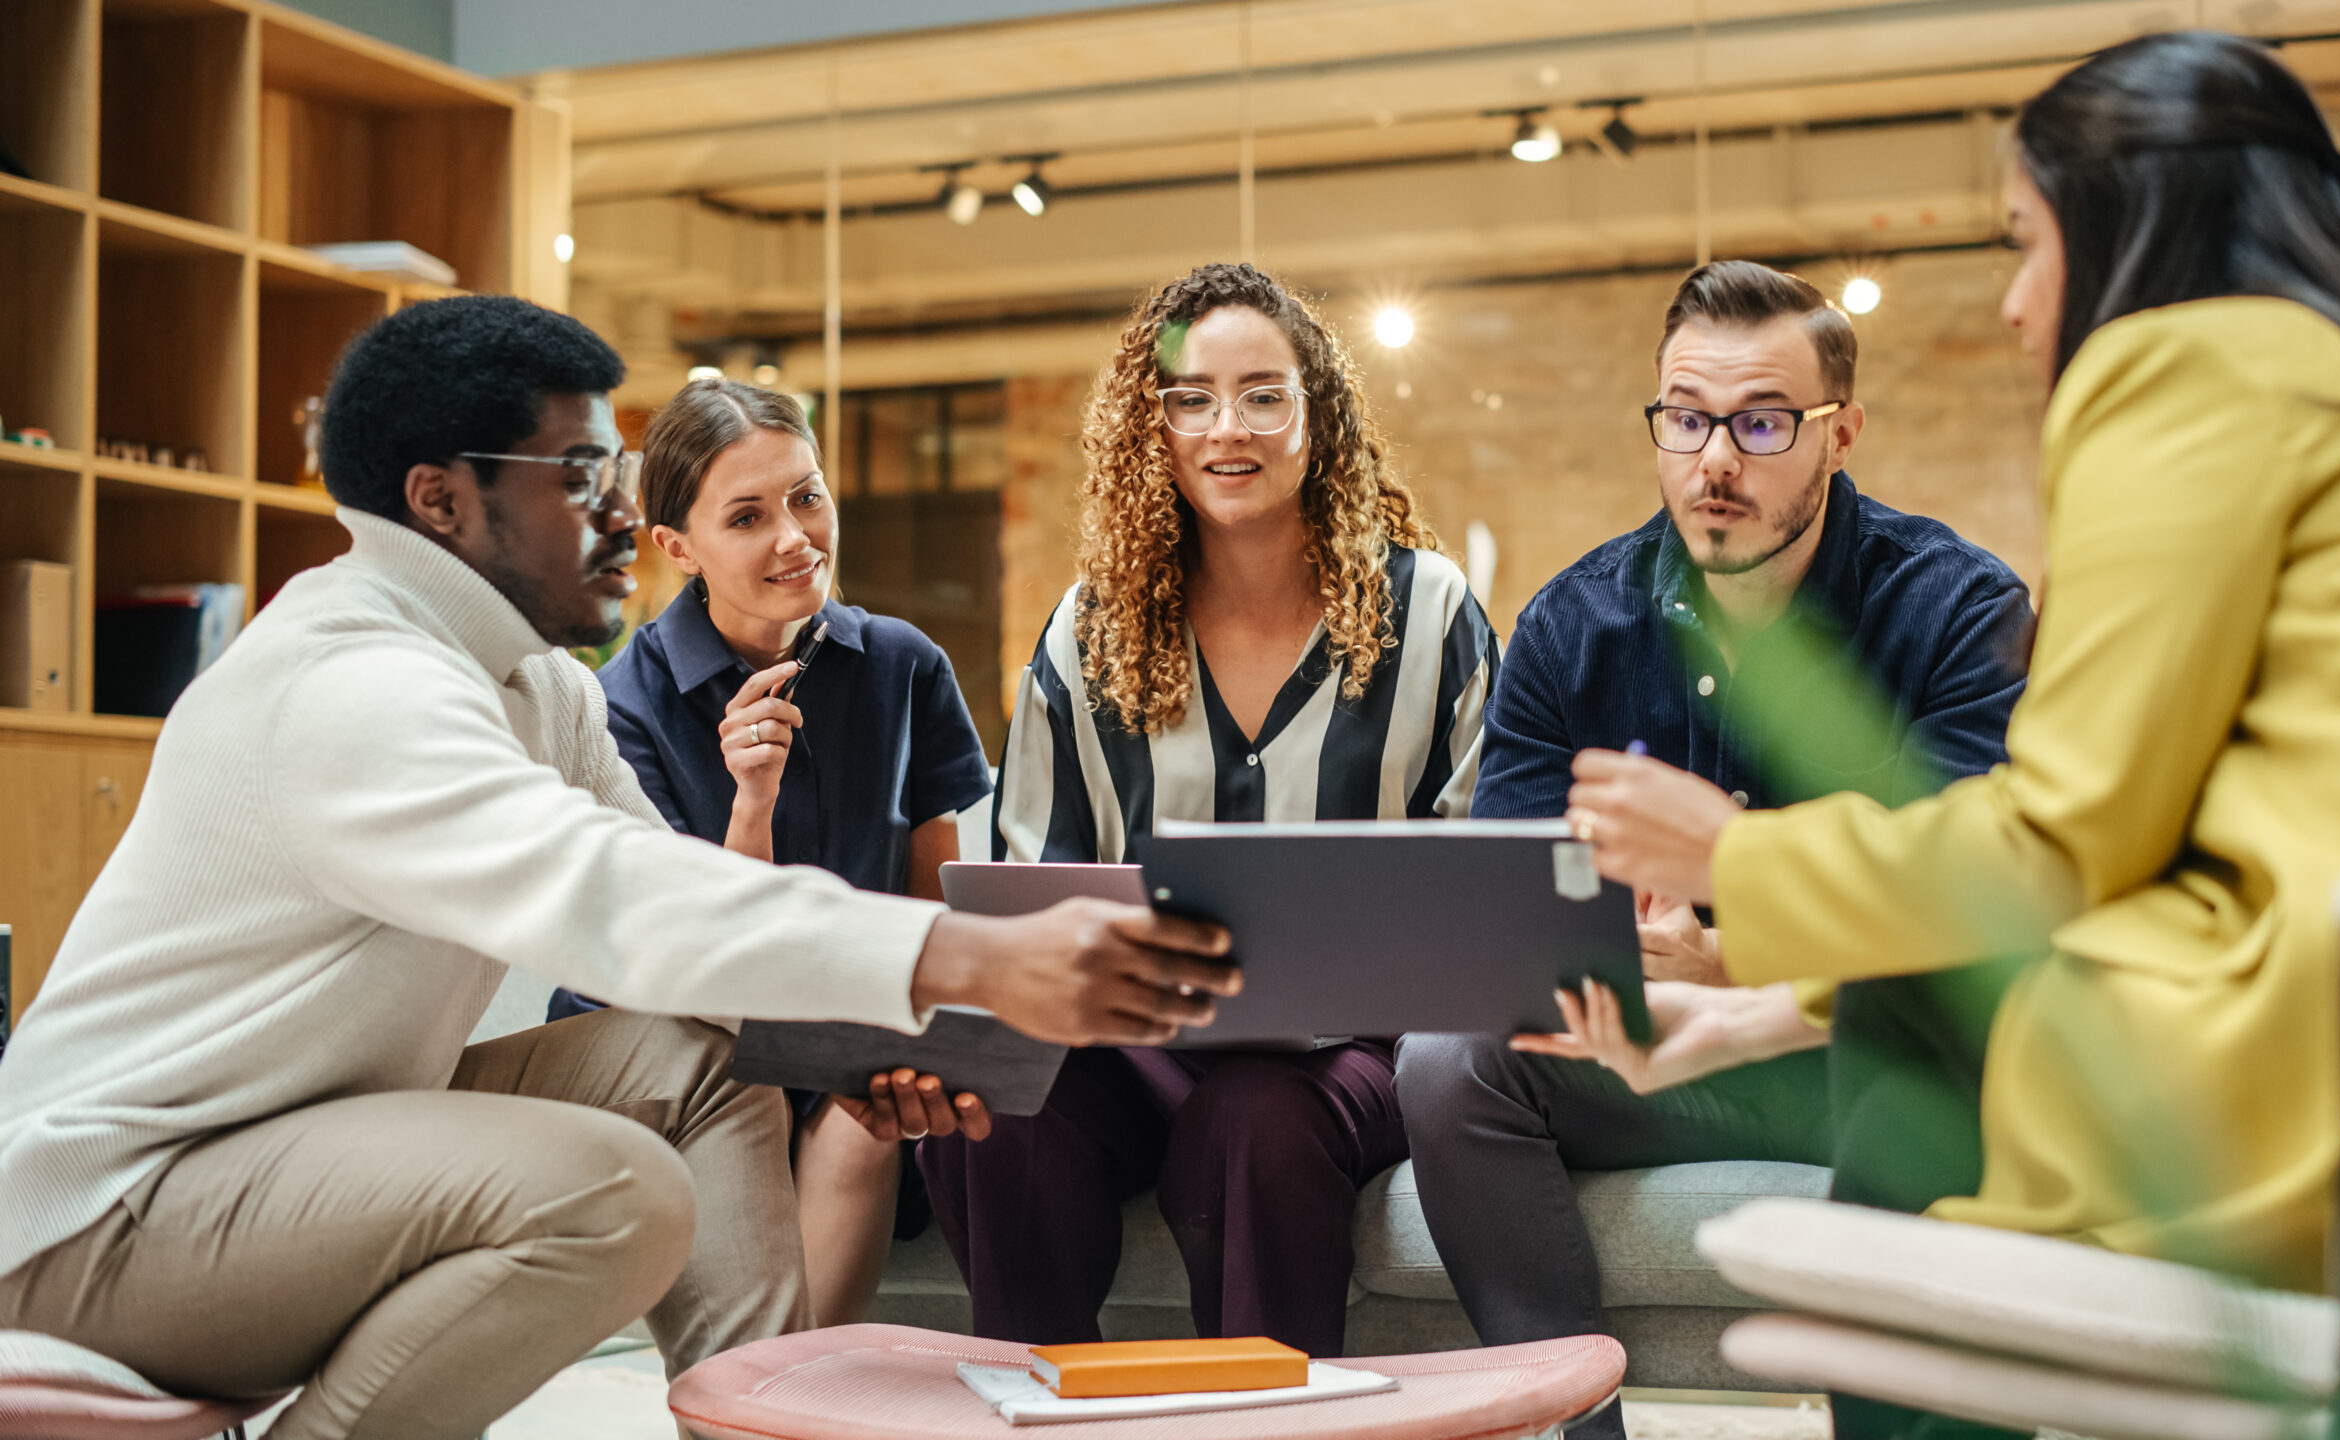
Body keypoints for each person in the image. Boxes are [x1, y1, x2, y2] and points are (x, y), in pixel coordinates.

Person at [1550, 31, 2340, 1440]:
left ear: (2121, 220)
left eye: (2026, 242)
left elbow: (2065, 839)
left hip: (2338, 1034)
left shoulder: (2178, 368)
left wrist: (1750, 862)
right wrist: (1752, 1017)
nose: (2021, 304)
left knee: (1923, 1022)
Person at [0, 295, 1239, 1440]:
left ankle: (765, 1425)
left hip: (292, 1151)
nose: (619, 513)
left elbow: (682, 925)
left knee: (702, 1052)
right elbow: (604, 893)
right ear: (441, 501)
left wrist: (875, 1053)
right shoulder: (350, 683)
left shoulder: (536, 682)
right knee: (612, 1188)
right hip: (107, 1217)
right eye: (583, 475)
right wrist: (966, 952)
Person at [1394, 259, 2032, 1440]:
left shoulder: (1953, 609)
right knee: (1449, 1061)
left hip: (1862, 1044)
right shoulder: (1573, 624)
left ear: (1840, 434)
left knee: (1938, 1045)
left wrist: (1735, 958)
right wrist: (1654, 972)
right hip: (1650, 1040)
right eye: (1684, 419)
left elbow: (1966, 908)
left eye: (1761, 422)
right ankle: (1573, 1430)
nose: (1715, 460)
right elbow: (1514, 919)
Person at [922, 262, 1499, 1358]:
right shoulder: (1086, 633)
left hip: (1351, 1049)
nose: (1225, 428)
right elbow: (1035, 892)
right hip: (1142, 1040)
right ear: (1154, 427)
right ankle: (1046, 1412)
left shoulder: (1429, 613)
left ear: (1315, 414)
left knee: (1256, 1117)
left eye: (1262, 393)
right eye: (1190, 398)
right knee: (996, 1109)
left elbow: (1479, 888)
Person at [547, 376, 994, 1328]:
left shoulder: (904, 666)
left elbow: (935, 913)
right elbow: (698, 962)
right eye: (747, 516)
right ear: (678, 548)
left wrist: (945, 1031)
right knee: (752, 1093)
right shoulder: (619, 707)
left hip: (842, 1041)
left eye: (807, 495)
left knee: (868, 1115)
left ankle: (783, 1407)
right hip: (683, 1041)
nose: (795, 536)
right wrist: (753, 800)